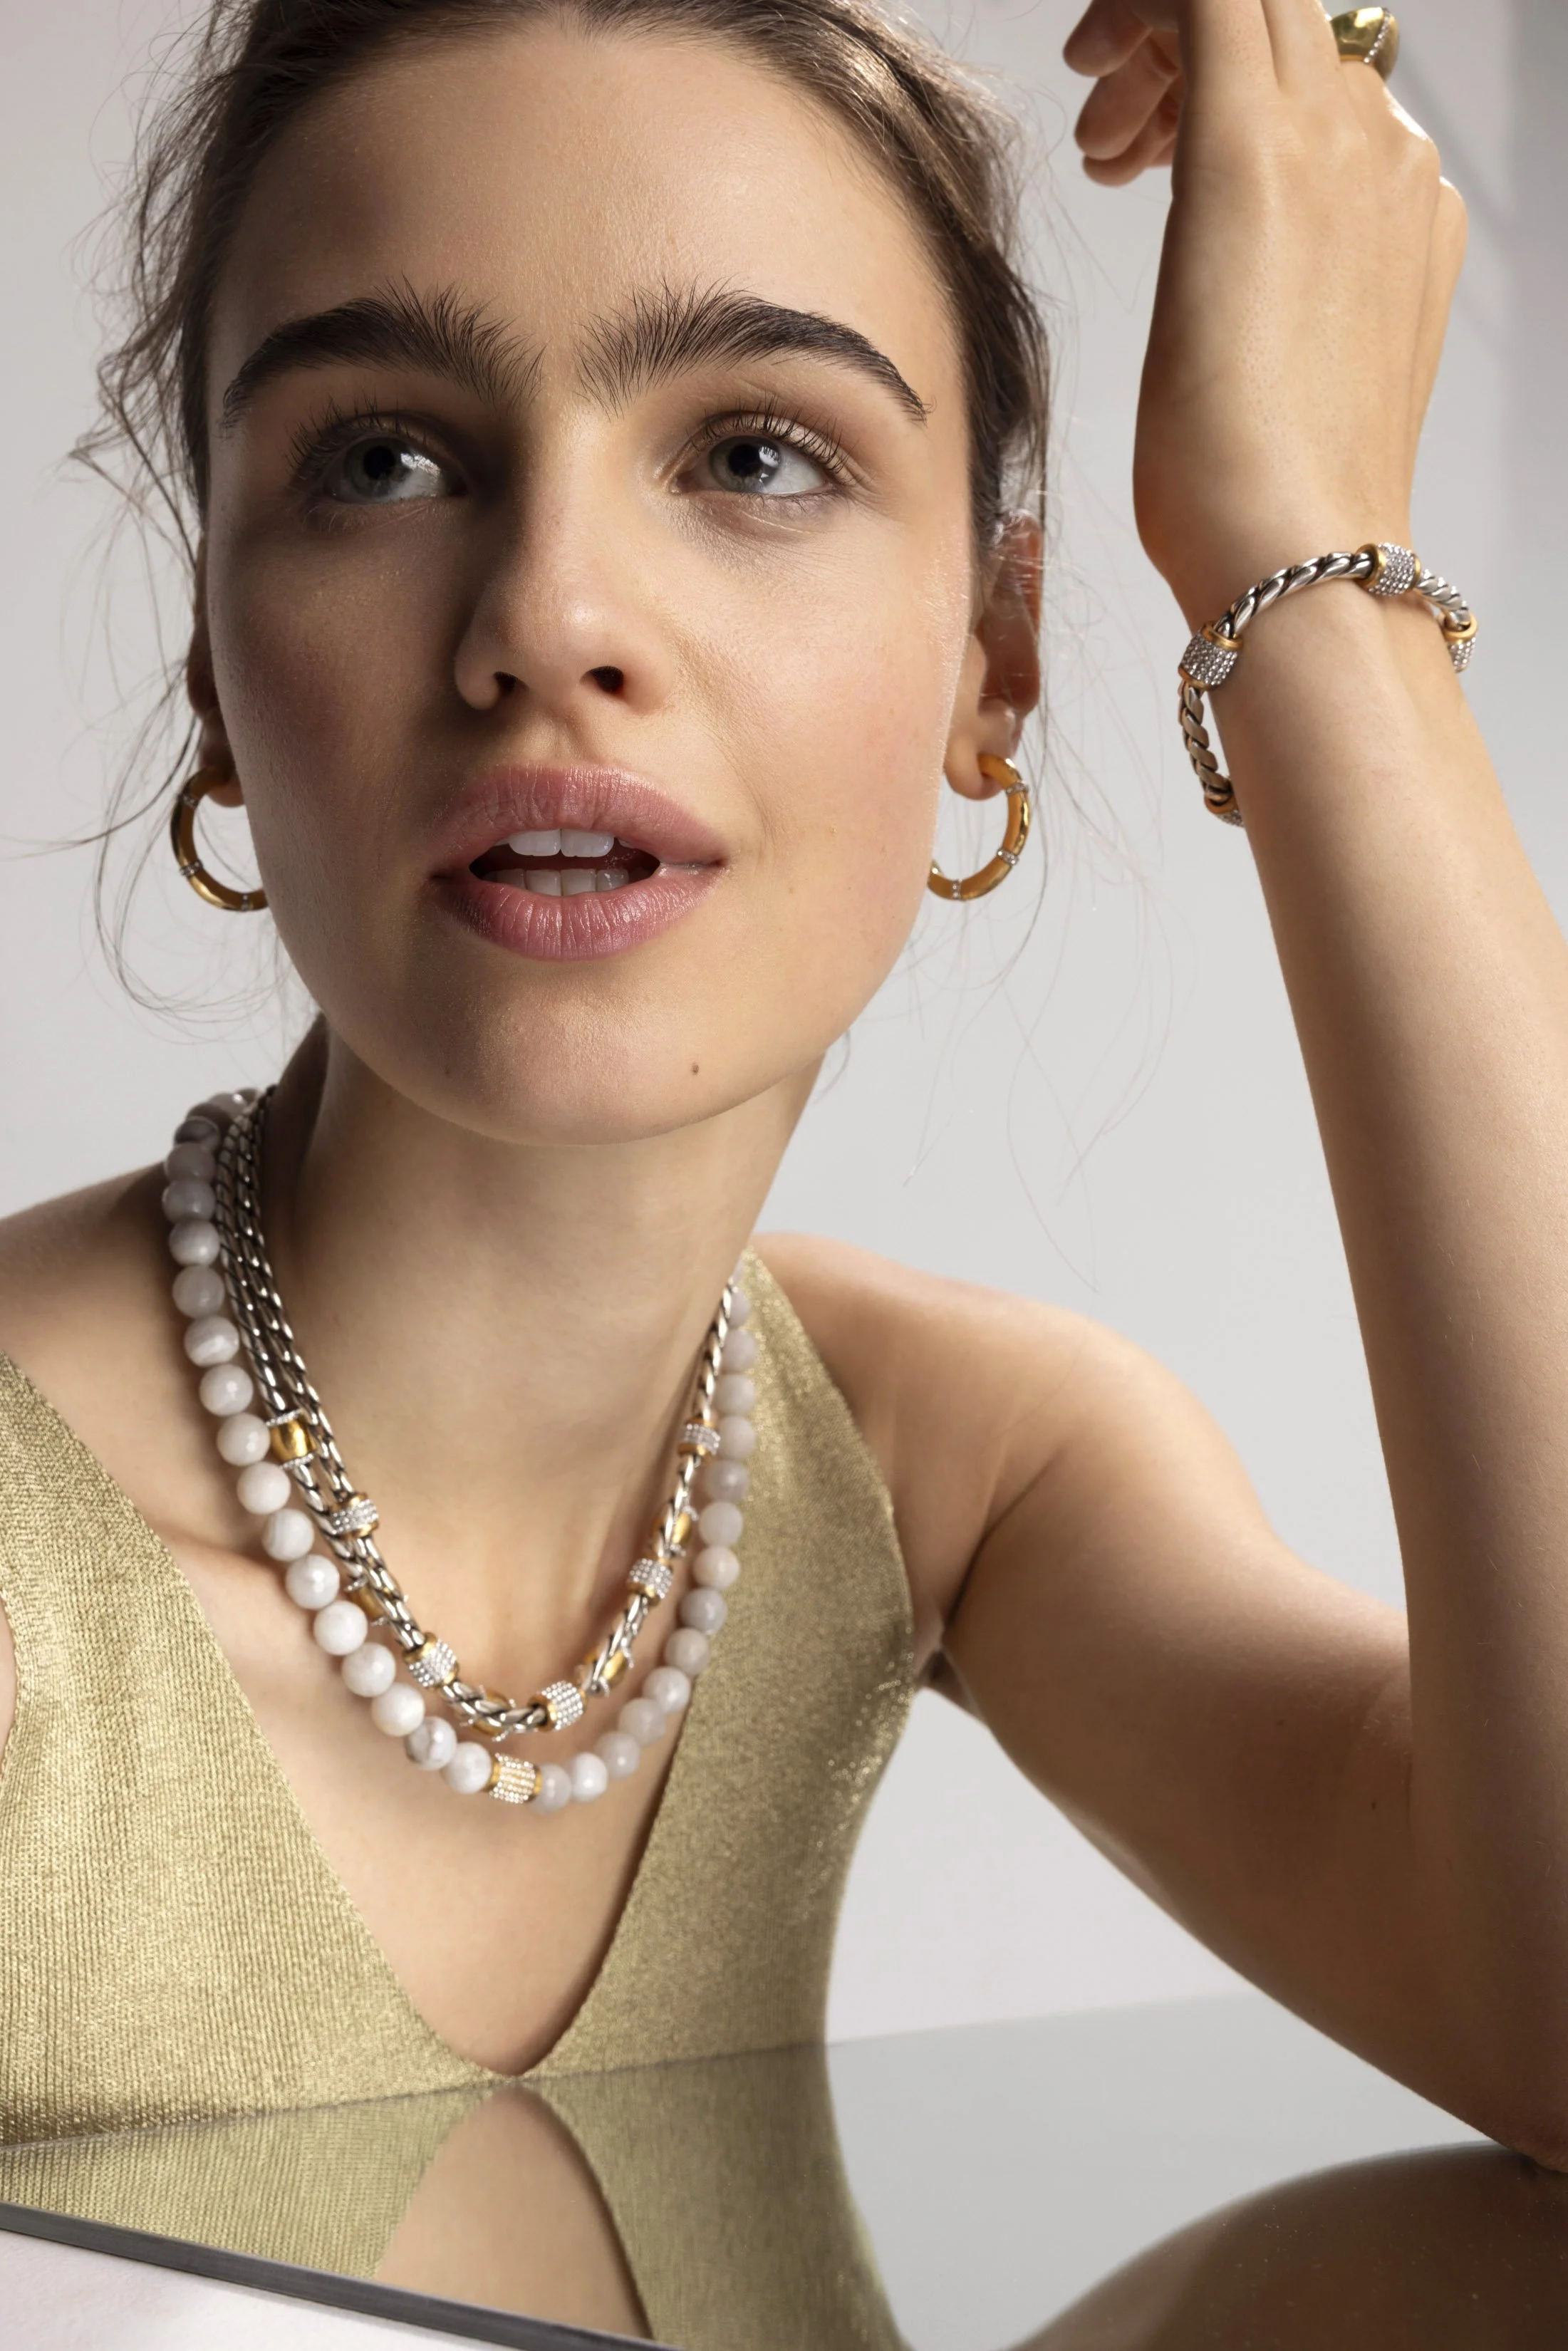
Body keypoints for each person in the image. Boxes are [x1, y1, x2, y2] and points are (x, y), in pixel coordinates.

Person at [0, 0, 1559, 2183]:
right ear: (217, 678)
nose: (549, 617)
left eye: (753, 454)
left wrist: (1304, 553)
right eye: (382, 459)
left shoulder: (939, 1468)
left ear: (995, 662)